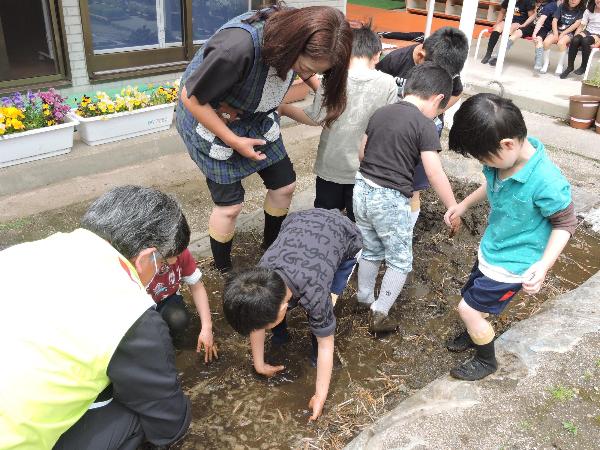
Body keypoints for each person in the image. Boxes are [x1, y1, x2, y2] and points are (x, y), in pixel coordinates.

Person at [0, 186, 191, 449]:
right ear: (148, 258)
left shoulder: (22, 252)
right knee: (141, 416)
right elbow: (169, 424)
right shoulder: (130, 312)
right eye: (164, 265)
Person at [176, 3, 352, 272]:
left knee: (284, 185)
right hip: (212, 117)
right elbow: (191, 98)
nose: (307, 74)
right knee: (230, 206)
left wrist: (321, 93)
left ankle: (271, 247)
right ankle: (223, 268)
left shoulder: (302, 32)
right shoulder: (237, 48)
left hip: (257, 116)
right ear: (293, 45)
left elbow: (307, 70)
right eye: (306, 67)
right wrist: (234, 141)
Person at [445, 94, 576, 380]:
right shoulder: (501, 163)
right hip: (493, 250)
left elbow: (565, 223)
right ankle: (474, 327)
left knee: (467, 308)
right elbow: (491, 185)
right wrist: (463, 204)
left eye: (482, 157)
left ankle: (486, 359)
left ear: (507, 144)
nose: (483, 163)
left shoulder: (546, 181)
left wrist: (543, 266)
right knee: (471, 294)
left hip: (514, 264)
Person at [222, 208, 362, 421]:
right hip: (299, 222)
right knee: (272, 312)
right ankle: (281, 335)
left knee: (325, 310)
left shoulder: (315, 292)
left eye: (264, 326)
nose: (259, 329)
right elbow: (256, 321)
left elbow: (327, 344)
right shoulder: (260, 278)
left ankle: (311, 356)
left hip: (344, 236)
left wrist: (320, 395)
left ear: (282, 309)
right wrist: (259, 364)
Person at [353, 63, 460, 334]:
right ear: (438, 99)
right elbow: (434, 172)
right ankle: (380, 312)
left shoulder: (381, 112)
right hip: (390, 198)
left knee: (371, 248)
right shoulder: (425, 125)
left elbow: (362, 153)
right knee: (400, 260)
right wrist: (452, 205)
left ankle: (364, 297)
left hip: (362, 188)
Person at [278, 23, 397, 222]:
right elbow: (388, 127)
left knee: (324, 217)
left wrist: (283, 109)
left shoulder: (332, 79)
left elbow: (315, 118)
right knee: (357, 220)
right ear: (377, 55)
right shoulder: (388, 84)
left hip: (331, 165)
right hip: (366, 168)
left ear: (344, 51)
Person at [375, 26, 469, 230]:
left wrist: (432, 113)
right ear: (420, 55)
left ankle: (405, 228)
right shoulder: (394, 61)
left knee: (413, 184)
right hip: (393, 129)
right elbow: (376, 85)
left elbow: (457, 92)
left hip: (426, 130)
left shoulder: (449, 69)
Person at [147, 247, 218, 363]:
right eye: (172, 256)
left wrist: (207, 328)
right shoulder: (136, 264)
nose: (176, 260)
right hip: (140, 306)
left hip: (167, 297)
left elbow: (197, 287)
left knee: (178, 319)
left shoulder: (180, 250)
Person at [500, 0, 558, 70]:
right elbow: (535, 15)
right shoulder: (543, 3)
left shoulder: (551, 5)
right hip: (533, 26)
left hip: (543, 28)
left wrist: (534, 34)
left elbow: (541, 21)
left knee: (538, 40)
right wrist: (524, 24)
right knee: (516, 33)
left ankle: (538, 63)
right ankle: (501, 53)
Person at [481, 0, 536, 66]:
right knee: (497, 28)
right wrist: (497, 23)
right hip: (508, 20)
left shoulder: (527, 1)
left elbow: (531, 17)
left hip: (520, 23)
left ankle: (498, 56)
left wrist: (524, 25)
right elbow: (502, 12)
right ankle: (488, 54)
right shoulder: (508, 0)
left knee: (509, 29)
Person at [541, 0, 584, 73]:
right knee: (546, 42)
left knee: (561, 43)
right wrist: (555, 33)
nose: (573, 1)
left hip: (569, 32)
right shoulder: (562, 6)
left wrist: (563, 33)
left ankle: (560, 64)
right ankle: (546, 63)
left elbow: (576, 24)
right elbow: (554, 20)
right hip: (557, 30)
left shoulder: (582, 10)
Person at [561, 0, 600, 78]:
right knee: (575, 39)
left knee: (585, 41)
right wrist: (575, 39)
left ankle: (583, 66)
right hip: (587, 31)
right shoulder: (589, 10)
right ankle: (570, 67)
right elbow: (582, 26)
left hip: (598, 35)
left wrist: (598, 43)